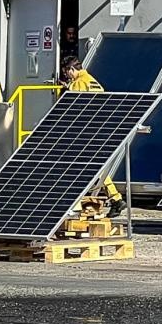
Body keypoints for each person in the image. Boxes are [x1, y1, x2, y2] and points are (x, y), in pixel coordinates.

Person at [59, 55, 126, 215]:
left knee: (73, 166)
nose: (67, 76)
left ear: (72, 69)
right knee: (98, 167)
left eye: (67, 72)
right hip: (99, 129)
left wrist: (64, 89)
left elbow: (69, 104)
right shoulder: (93, 81)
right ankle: (116, 199)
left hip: (83, 131)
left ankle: (71, 203)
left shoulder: (78, 83)